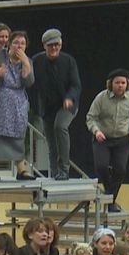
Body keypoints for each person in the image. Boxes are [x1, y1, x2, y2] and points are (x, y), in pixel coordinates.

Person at [87, 68, 129, 213]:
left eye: (123, 83)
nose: (120, 86)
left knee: (120, 170)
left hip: (122, 139)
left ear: (127, 84)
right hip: (103, 138)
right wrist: (96, 131)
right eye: (117, 83)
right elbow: (91, 118)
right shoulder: (101, 98)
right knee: (101, 167)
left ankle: (111, 200)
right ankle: (110, 195)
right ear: (111, 84)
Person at [31, 29, 81, 181]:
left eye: (57, 45)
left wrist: (69, 98)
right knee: (51, 141)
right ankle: (55, 172)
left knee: (60, 126)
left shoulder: (68, 61)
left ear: (61, 45)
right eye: (50, 45)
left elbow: (75, 84)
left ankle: (64, 169)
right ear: (44, 46)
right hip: (47, 107)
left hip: (67, 105)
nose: (54, 48)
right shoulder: (37, 61)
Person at [0, 30, 35, 180]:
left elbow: (29, 82)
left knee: (18, 134)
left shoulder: (28, 61)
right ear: (10, 44)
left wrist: (26, 63)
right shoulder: (0, 56)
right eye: (16, 43)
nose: (19, 46)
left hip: (17, 103)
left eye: (22, 43)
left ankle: (21, 169)